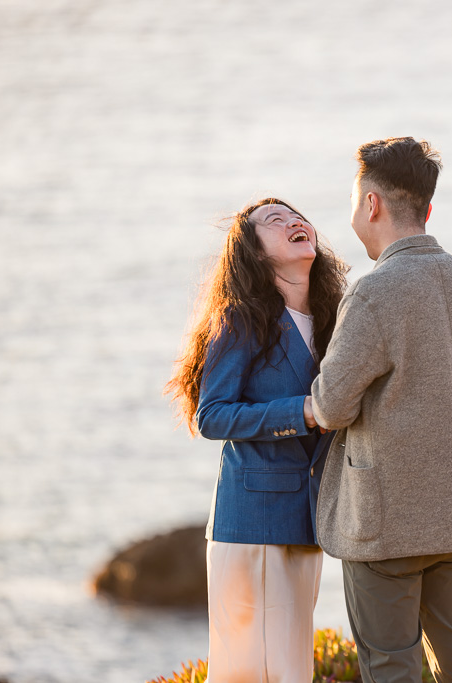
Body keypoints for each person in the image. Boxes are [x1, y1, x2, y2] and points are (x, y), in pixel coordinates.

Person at [310, 137, 452, 683]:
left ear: (372, 205)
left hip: (387, 524)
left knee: (390, 667)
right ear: (427, 208)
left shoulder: (373, 293)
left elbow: (329, 407)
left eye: (356, 201)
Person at [166, 197, 348, 682]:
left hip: (309, 516)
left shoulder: (335, 319)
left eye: (296, 215)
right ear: (254, 252)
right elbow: (212, 416)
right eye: (274, 220)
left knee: (291, 667)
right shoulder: (242, 318)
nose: (293, 221)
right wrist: (302, 412)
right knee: (252, 670)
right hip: (252, 522)